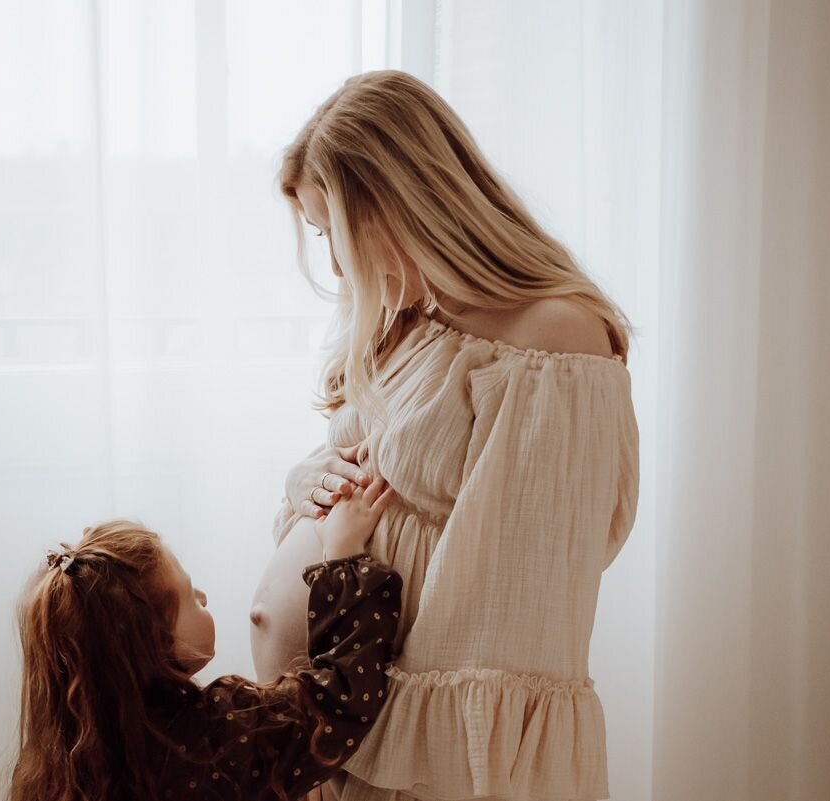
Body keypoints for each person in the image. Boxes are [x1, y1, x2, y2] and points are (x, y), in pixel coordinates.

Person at [249, 70, 640, 801]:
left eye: (332, 229)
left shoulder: (554, 342)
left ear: (396, 203)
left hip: (410, 762)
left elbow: (508, 620)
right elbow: (364, 459)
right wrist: (307, 483)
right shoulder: (419, 321)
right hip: (333, 733)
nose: (334, 264)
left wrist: (358, 742)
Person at [10, 478, 402, 801]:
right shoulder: (212, 741)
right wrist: (343, 557)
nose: (203, 598)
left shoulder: (62, 765)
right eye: (189, 595)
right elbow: (339, 701)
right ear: (153, 644)